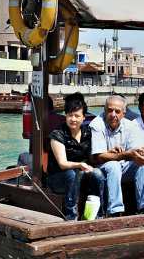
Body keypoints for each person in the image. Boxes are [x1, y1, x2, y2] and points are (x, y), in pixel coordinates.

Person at [90, 95, 144, 216]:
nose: (113, 114)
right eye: (110, 110)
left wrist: (141, 154)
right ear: (104, 111)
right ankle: (115, 211)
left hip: (122, 167)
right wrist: (124, 154)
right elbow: (98, 157)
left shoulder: (130, 126)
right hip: (102, 168)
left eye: (117, 111)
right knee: (113, 166)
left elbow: (135, 151)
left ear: (123, 113)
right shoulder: (97, 124)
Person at [47, 92, 106, 220]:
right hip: (58, 177)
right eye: (70, 115)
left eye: (77, 116)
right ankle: (71, 216)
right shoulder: (57, 134)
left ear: (84, 117)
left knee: (98, 174)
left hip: (81, 173)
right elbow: (62, 164)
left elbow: (94, 154)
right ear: (65, 116)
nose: (73, 119)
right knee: (71, 174)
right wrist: (79, 165)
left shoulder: (88, 133)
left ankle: (98, 214)